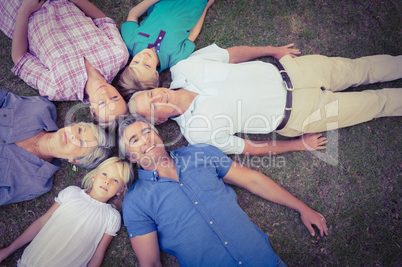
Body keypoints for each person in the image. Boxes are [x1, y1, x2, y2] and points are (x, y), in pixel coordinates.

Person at [118, 115, 328, 266]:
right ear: (131, 157)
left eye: (147, 132)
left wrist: (301, 207)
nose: (145, 139)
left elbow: (253, 180)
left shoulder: (199, 153)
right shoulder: (136, 202)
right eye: (135, 140)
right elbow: (151, 262)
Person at [128, 43, 402, 156]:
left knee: (360, 69)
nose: (157, 97)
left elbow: (231, 55)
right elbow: (249, 147)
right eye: (153, 107)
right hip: (300, 114)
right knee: (374, 105)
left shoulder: (185, 68)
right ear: (161, 120)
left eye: (150, 94)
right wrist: (297, 145)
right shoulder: (198, 132)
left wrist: (274, 49)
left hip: (295, 71)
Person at [0, 0, 130, 128]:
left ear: (92, 110)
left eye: (102, 103)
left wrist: (25, 9)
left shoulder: (57, 88)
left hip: (19, 9)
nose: (105, 94)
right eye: (114, 97)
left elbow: (20, 58)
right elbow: (104, 21)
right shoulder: (118, 55)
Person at [0, 156, 134, 266]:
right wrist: (8, 251)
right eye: (104, 174)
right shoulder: (72, 193)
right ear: (94, 176)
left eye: (115, 180)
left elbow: (98, 253)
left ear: (120, 190)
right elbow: (42, 222)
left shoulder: (112, 217)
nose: (107, 181)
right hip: (33, 261)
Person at [0, 89, 112, 206]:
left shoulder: (36, 183)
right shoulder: (40, 108)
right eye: (79, 130)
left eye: (81, 143)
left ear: (75, 160)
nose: (73, 136)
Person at [117, 0, 215, 100]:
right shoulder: (176, 57)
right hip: (196, 3)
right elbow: (193, 33)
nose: (143, 57)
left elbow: (133, 14)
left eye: (135, 62)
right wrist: (206, 7)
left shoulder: (131, 41)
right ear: (156, 75)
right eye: (147, 65)